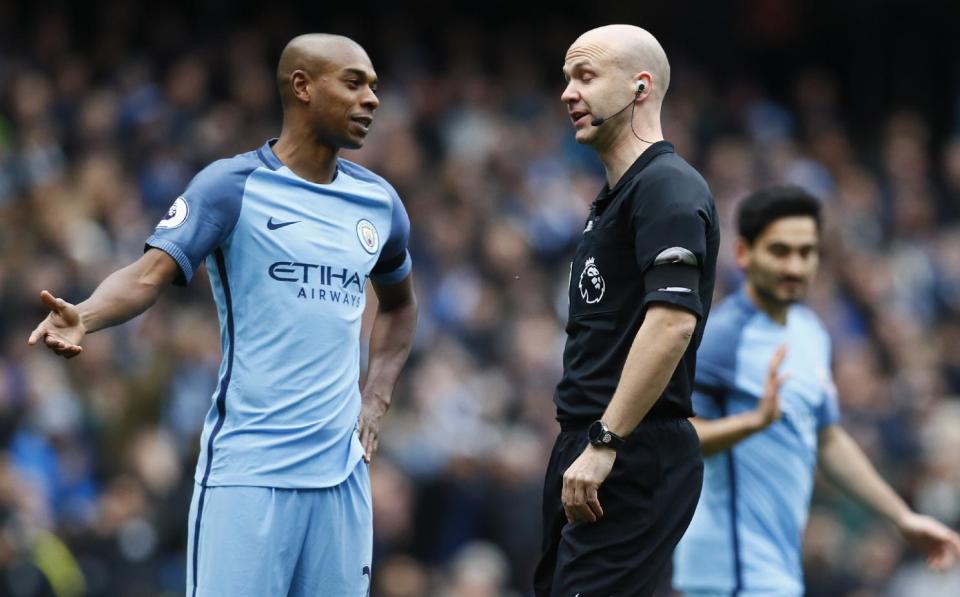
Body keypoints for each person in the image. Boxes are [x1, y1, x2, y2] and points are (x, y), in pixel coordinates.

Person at [27, 33, 418, 596]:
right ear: (302, 87)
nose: (372, 100)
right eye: (354, 83)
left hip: (342, 476)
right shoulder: (231, 186)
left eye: (374, 87)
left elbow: (401, 308)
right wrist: (85, 315)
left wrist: (376, 398)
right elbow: (146, 277)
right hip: (249, 472)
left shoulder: (378, 202)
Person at [672, 185, 960, 596]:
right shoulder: (721, 337)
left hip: (775, 567)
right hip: (726, 567)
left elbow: (827, 437)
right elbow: (676, 438)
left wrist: (901, 517)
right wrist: (753, 422)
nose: (796, 266)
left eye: (806, 252)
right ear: (744, 254)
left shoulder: (809, 332)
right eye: (780, 251)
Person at [535, 25, 720, 596]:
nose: (568, 92)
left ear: (640, 88)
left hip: (629, 451)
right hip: (589, 444)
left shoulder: (667, 188)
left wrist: (605, 442)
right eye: (567, 78)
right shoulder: (615, 197)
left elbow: (671, 324)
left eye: (585, 76)